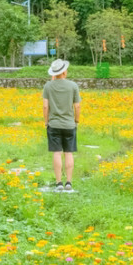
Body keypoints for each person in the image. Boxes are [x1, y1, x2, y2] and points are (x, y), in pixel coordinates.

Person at [42, 58, 80, 192]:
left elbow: (45, 106)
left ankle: (58, 183)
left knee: (57, 153)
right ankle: (69, 182)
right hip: (69, 125)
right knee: (68, 153)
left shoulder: (48, 86)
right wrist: (76, 120)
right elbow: (77, 106)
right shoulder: (73, 86)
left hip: (54, 124)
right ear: (64, 71)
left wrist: (46, 122)